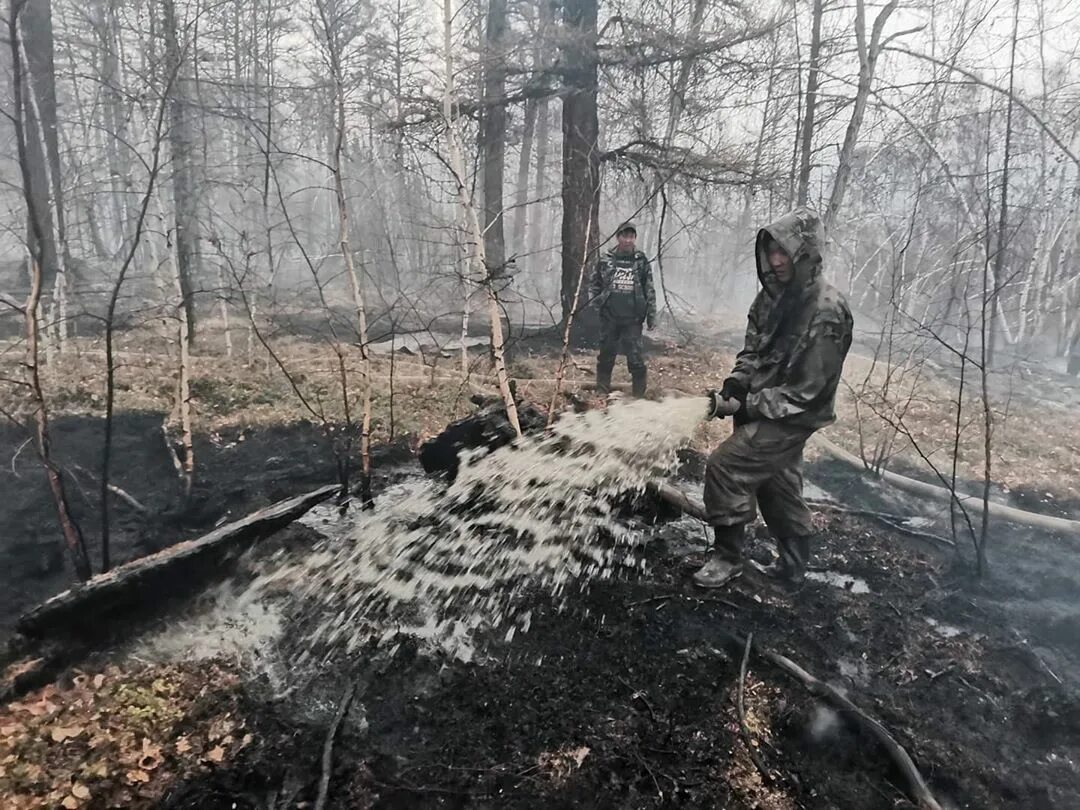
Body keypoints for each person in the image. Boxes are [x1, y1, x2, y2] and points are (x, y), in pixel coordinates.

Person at [694, 207, 853, 588]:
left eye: (784, 252)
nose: (775, 261)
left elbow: (807, 392)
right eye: (771, 252)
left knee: (726, 466)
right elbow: (753, 351)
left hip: (793, 416)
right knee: (776, 484)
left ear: (806, 253)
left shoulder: (827, 311)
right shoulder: (769, 299)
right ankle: (793, 569)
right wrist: (736, 382)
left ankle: (728, 557)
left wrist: (749, 404)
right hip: (762, 409)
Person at [589, 222, 657, 398]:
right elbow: (594, 283)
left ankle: (638, 397)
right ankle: (601, 393)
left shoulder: (641, 260)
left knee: (635, 359)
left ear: (634, 238)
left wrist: (651, 316)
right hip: (610, 317)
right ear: (618, 237)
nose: (628, 240)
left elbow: (649, 288)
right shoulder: (606, 258)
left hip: (633, 319)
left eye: (631, 236)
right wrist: (597, 303)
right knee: (606, 355)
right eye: (624, 236)